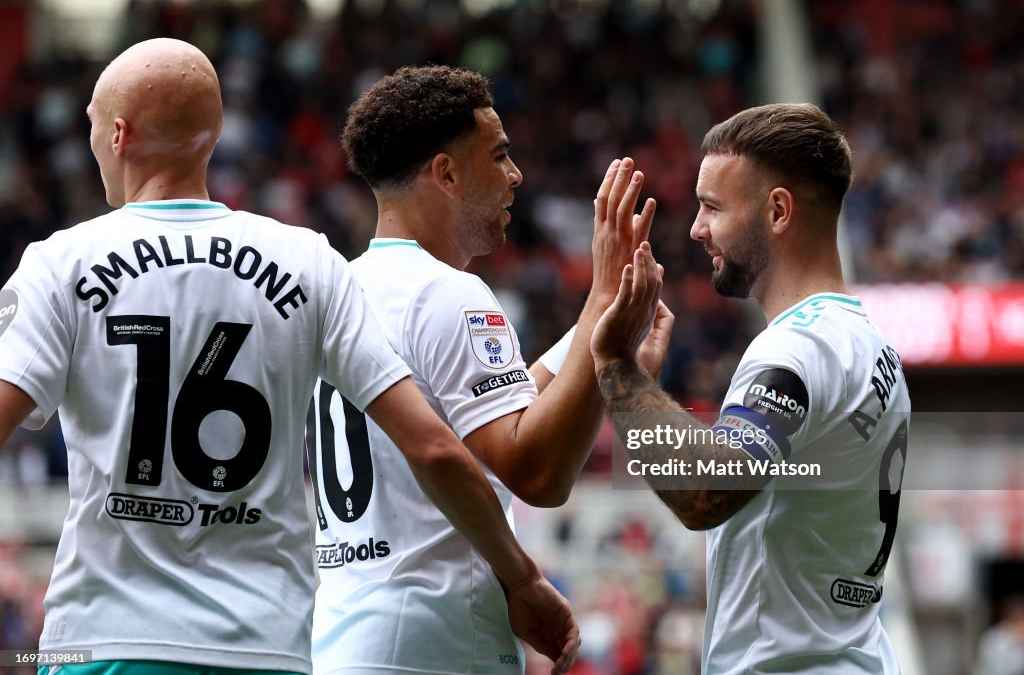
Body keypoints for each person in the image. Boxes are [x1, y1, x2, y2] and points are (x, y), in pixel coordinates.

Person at [0, 39, 578, 675]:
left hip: (104, 640)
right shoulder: (308, 262)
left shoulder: (61, 264)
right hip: (266, 648)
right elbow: (436, 449)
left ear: (117, 134)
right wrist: (521, 579)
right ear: (212, 135)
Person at [308, 65, 671, 675]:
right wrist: (603, 306)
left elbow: (496, 417)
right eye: (499, 156)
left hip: (345, 633)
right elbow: (537, 472)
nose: (515, 175)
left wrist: (598, 334)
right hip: (432, 645)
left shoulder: (341, 289)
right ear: (446, 174)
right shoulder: (448, 294)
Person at [589, 103, 911, 674]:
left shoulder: (799, 347)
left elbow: (706, 492)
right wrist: (642, 386)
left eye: (712, 207)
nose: (695, 228)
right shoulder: (869, 345)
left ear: (778, 211)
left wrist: (616, 366)